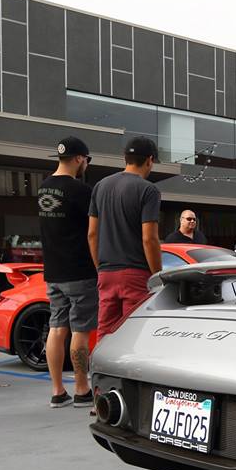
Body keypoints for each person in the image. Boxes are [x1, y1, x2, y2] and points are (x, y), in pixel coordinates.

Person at [38, 137, 98, 408]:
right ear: (78, 158)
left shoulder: (43, 188)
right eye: (86, 160)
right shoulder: (81, 191)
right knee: (80, 331)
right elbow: (93, 231)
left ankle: (57, 391)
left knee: (56, 328)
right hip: (79, 270)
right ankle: (82, 388)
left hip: (53, 271)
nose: (86, 164)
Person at [88, 137, 162, 342]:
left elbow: (92, 234)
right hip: (136, 274)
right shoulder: (148, 190)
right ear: (149, 160)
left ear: (125, 158)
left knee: (105, 334)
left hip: (106, 273)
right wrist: (158, 276)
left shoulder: (100, 186)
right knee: (133, 334)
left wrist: (100, 268)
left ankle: (100, 364)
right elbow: (149, 239)